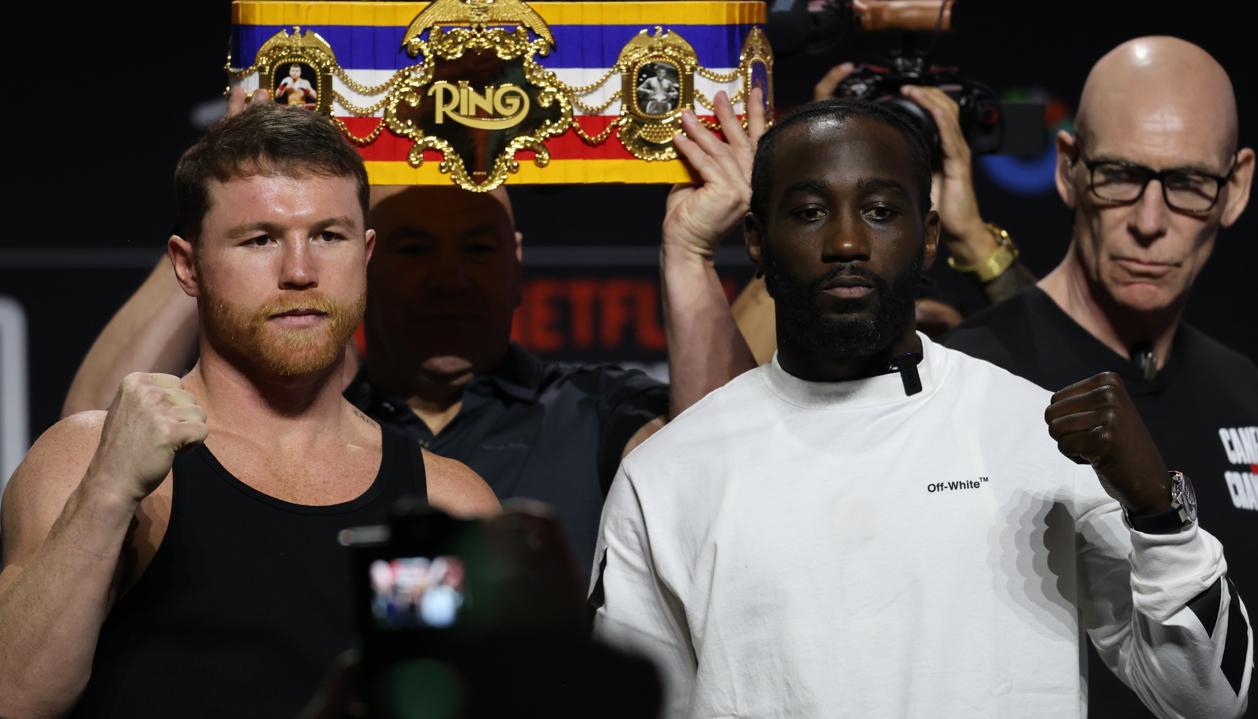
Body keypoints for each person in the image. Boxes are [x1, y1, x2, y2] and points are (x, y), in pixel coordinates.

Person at [590, 98, 1251, 718]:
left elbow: (1211, 700)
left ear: (929, 235)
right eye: (810, 212)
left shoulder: (1032, 432)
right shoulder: (666, 476)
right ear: (757, 240)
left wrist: (1161, 515)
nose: (846, 242)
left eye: (880, 211)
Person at [58, 88, 764, 574]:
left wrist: (691, 251)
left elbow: (719, 477)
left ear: (517, 264)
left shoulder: (596, 412)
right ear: (361, 262)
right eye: (415, 248)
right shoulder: (300, 412)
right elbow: (99, 430)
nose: (449, 278)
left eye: (479, 248)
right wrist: (225, 205)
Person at [0, 102, 499, 717]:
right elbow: (13, 696)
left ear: (366, 253)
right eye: (260, 239)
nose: (300, 271)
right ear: (188, 266)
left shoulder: (449, 503)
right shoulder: (89, 459)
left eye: (329, 236)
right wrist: (107, 493)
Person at [943, 37, 1257, 716]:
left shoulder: (1247, 393)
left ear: (1234, 190)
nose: (1149, 222)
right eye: (1118, 175)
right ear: (1067, 170)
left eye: (1189, 184)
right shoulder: (968, 378)